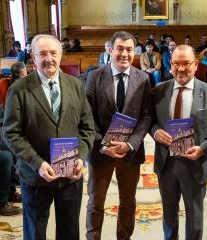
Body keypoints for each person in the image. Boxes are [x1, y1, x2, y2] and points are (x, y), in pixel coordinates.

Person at [3, 34, 95, 240]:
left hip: (70, 177)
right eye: (42, 54)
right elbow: (11, 133)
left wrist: (80, 157)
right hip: (35, 176)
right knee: (35, 233)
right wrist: (37, 163)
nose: (49, 59)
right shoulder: (19, 89)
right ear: (33, 58)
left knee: (70, 232)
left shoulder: (75, 85)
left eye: (53, 53)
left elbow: (88, 127)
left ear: (61, 56)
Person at [150, 45, 207, 240]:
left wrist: (202, 148)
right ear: (170, 66)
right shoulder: (159, 90)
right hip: (166, 164)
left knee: (194, 217)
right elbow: (149, 121)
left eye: (186, 63)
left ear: (195, 64)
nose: (181, 69)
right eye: (176, 64)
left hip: (195, 164)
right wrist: (156, 131)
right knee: (168, 216)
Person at [85, 31, 152, 240]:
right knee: (96, 203)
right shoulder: (95, 76)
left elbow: (146, 116)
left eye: (129, 50)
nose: (125, 54)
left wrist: (131, 144)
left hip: (129, 155)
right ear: (110, 50)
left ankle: (124, 237)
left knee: (128, 202)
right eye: (120, 49)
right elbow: (87, 117)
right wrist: (103, 145)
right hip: (100, 152)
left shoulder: (143, 78)